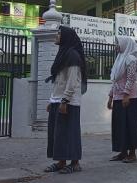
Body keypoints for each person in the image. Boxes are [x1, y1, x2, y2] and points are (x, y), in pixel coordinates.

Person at [44, 26, 87, 174]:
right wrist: (52, 100)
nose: (56, 35)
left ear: (66, 36)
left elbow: (72, 81)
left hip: (69, 102)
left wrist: (65, 100)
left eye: (59, 33)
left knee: (70, 132)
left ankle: (75, 163)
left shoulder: (73, 55)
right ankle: (61, 162)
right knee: (58, 133)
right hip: (58, 100)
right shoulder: (63, 53)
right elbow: (58, 80)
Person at [107, 36, 137, 163]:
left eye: (117, 43)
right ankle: (122, 152)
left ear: (124, 44)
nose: (116, 45)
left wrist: (126, 94)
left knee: (130, 125)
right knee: (119, 126)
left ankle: (132, 153)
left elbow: (131, 78)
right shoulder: (119, 59)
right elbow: (115, 80)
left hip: (129, 98)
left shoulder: (131, 59)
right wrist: (110, 96)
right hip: (118, 98)